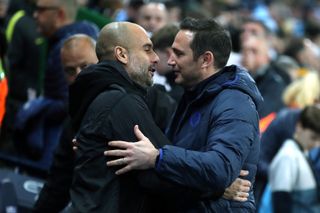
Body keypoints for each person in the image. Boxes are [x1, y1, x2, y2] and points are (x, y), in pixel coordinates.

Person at [69, 20, 252, 213]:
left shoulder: (104, 93)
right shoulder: (121, 101)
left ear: (206, 59)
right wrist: (216, 188)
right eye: (147, 49)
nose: (160, 58)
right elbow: (159, 177)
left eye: (179, 54)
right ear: (121, 54)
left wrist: (158, 157)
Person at [12, 0, 99, 169]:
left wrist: (33, 108)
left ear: (59, 14)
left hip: (58, 147)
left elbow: (67, 104)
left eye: (41, 10)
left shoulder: (68, 50)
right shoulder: (84, 36)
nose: (35, 15)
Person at [33, 34, 98, 213]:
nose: (79, 75)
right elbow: (60, 179)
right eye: (70, 71)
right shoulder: (74, 115)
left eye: (85, 66)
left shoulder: (126, 100)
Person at [269, 105, 320, 212]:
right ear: (299, 126)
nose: (316, 144)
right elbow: (281, 204)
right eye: (313, 138)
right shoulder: (288, 157)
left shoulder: (302, 153)